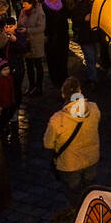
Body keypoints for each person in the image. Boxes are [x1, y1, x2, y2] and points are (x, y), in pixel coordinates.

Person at [43, 78, 101, 210]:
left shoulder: (57, 120)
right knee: (91, 189)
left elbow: (48, 144)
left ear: (63, 95)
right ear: (79, 91)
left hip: (70, 164)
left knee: (73, 193)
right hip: (91, 158)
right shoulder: (94, 108)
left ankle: (77, 214)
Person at [43, 0, 71, 89]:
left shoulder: (62, 4)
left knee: (63, 56)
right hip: (51, 36)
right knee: (52, 57)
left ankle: (63, 75)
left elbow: (67, 15)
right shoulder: (44, 6)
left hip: (62, 35)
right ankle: (54, 77)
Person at [17, 0, 46, 94]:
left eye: (25, 4)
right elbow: (19, 23)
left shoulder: (39, 12)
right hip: (26, 43)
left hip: (36, 42)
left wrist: (27, 30)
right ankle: (31, 85)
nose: (23, 6)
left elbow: (41, 28)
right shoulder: (22, 12)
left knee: (38, 65)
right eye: (23, 4)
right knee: (28, 65)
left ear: (31, 3)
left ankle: (39, 87)